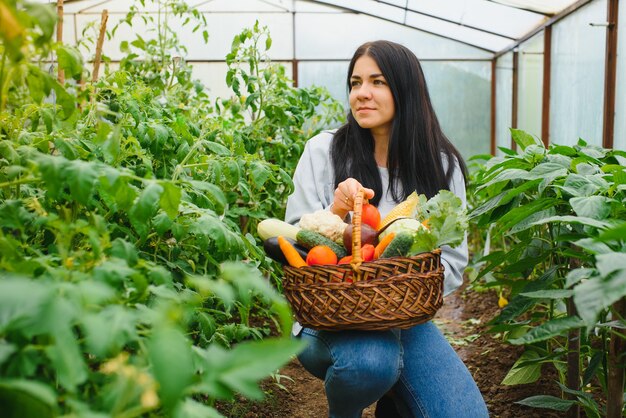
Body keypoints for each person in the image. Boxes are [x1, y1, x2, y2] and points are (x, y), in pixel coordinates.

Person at [284, 40, 489, 418]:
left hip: (405, 322)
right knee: (370, 363)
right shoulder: (322, 151)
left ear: (405, 89)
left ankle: (395, 406)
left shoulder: (442, 166)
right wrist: (336, 210)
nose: (362, 93)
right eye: (355, 82)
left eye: (377, 82)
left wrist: (393, 298)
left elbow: (455, 261)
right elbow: (295, 241)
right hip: (327, 319)